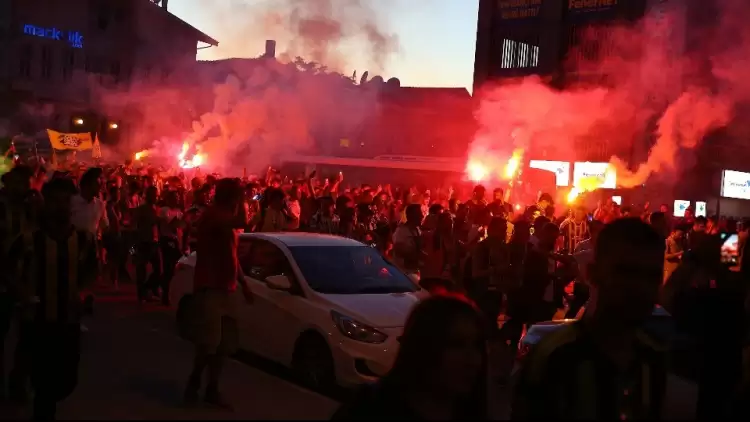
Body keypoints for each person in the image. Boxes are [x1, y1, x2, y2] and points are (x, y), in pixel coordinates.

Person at [511, 218, 667, 420]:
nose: (640, 287)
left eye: (652, 276)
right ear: (593, 274)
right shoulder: (555, 358)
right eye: (626, 273)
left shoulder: (654, 360)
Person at [8, 177, 98, 419]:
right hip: (37, 322)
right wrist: (23, 293)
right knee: (44, 388)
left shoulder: (83, 241)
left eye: (65, 201)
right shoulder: (28, 240)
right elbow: (8, 270)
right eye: (55, 201)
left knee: (67, 381)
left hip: (68, 321)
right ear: (45, 204)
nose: (60, 207)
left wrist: (83, 293)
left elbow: (91, 271)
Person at [332, 295, 488, 420]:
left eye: (476, 345)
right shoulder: (368, 409)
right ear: (425, 348)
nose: (472, 360)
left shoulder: (471, 411)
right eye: (457, 345)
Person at [184, 178, 254, 409]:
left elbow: (231, 257)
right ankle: (194, 382)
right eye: (240, 196)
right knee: (208, 343)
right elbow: (244, 220)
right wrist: (244, 200)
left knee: (223, 345)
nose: (242, 200)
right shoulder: (214, 216)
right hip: (210, 288)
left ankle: (211, 388)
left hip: (226, 288)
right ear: (231, 198)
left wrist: (243, 284)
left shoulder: (224, 220)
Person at [133, 186, 162, 304]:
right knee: (141, 269)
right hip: (143, 242)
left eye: (156, 194)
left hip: (154, 242)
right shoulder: (141, 209)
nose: (155, 197)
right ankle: (141, 294)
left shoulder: (156, 208)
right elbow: (134, 225)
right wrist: (133, 247)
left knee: (158, 269)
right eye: (153, 195)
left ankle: (148, 288)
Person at [393, 204, 425, 280]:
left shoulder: (417, 230)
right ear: (411, 216)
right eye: (419, 214)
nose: (422, 216)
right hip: (404, 274)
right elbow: (400, 252)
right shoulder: (401, 232)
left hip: (413, 272)